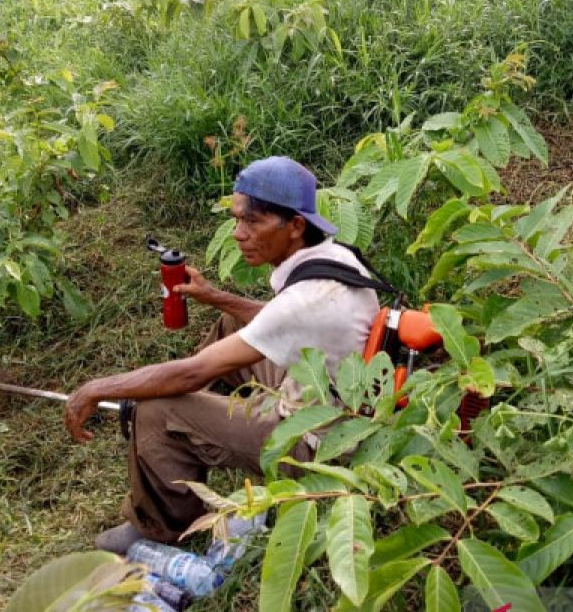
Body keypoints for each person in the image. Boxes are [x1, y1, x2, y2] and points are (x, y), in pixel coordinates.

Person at [64, 156, 380, 554]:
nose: (238, 234)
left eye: (252, 222)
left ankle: (162, 524)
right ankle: (182, 440)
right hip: (336, 398)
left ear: (295, 226)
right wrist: (214, 297)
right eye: (237, 220)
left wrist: (97, 388)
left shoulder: (306, 299)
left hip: (319, 444)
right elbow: (276, 322)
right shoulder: (336, 258)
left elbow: (192, 373)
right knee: (233, 327)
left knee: (157, 407)